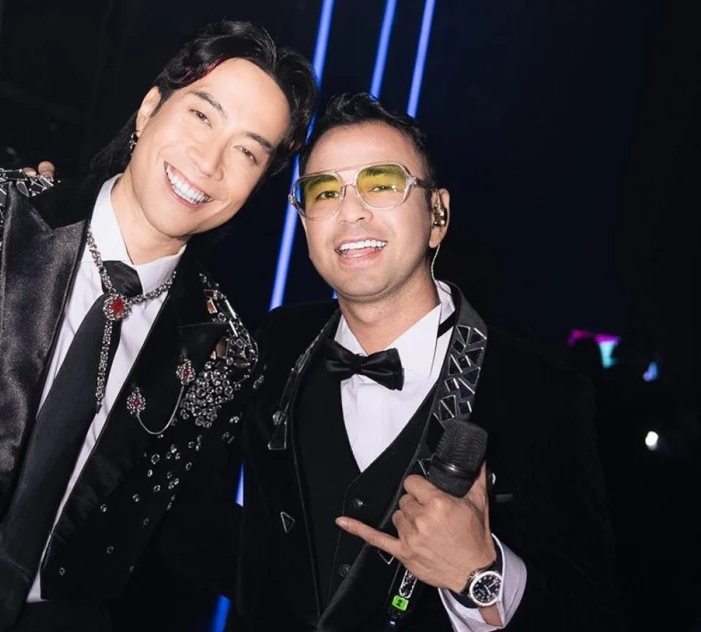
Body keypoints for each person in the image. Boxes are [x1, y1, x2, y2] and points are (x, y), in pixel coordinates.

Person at [0, 20, 317, 632]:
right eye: (202, 115)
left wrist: (346, 592)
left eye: (247, 151)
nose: (209, 162)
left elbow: (192, 535)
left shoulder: (224, 354)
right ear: (149, 108)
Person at [226, 93, 623, 631]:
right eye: (324, 191)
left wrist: (481, 574)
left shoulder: (542, 394)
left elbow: (591, 613)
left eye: (382, 183)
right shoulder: (277, 345)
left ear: (438, 215)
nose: (350, 211)